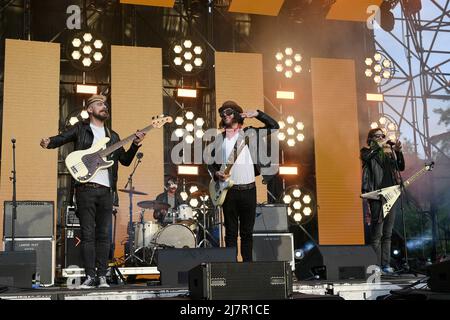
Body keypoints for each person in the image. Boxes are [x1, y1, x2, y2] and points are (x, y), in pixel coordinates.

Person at [40, 94, 146, 288]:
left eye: (105, 104)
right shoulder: (81, 129)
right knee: (88, 235)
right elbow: (62, 137)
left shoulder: (112, 136)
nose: (103, 106)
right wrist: (50, 142)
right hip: (85, 189)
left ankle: (103, 277)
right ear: (90, 109)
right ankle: (90, 277)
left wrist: (135, 144)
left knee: (104, 235)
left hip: (106, 191)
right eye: (99, 104)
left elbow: (125, 161)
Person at [207, 101, 279, 261]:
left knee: (247, 233)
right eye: (222, 113)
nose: (224, 115)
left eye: (228, 112)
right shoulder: (220, 139)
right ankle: (231, 268)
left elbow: (274, 126)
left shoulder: (250, 133)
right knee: (231, 233)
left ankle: (248, 268)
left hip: (249, 190)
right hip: (229, 192)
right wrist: (216, 173)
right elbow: (209, 162)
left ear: (238, 114)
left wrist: (258, 114)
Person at [361, 128, 405, 274]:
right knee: (377, 235)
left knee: (388, 233)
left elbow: (401, 167)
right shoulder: (366, 152)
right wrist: (380, 144)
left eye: (383, 136)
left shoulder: (388, 154)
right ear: (371, 139)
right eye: (378, 136)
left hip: (391, 195)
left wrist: (398, 152)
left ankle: (385, 265)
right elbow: (367, 159)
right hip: (377, 196)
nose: (381, 138)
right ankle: (376, 266)